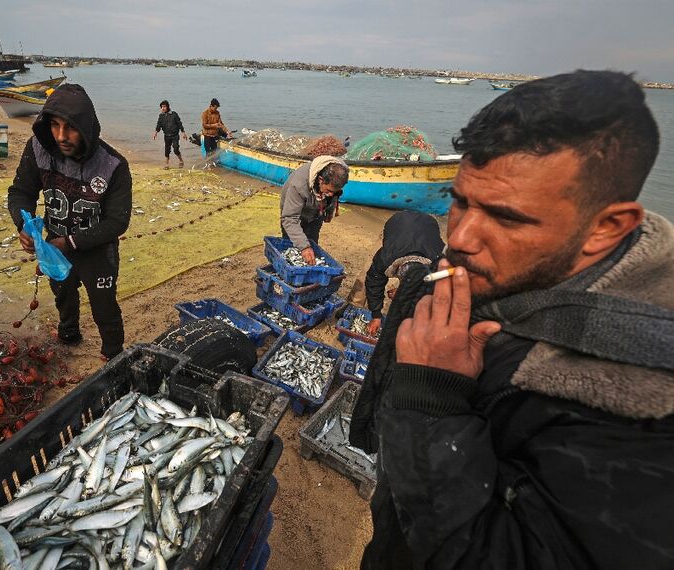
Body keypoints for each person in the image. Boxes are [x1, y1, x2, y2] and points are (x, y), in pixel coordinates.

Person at [350, 70, 674, 569]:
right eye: (459, 202)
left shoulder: (642, 407)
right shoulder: (469, 271)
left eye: (507, 218)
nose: (460, 238)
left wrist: (431, 399)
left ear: (606, 228)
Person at [7, 84, 131, 359]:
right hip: (55, 243)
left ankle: (113, 354)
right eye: (54, 125)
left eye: (71, 127)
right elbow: (21, 192)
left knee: (104, 307)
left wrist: (71, 242)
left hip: (96, 248)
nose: (61, 136)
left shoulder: (113, 165)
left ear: (86, 127)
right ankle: (69, 336)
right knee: (63, 293)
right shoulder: (38, 149)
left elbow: (117, 222)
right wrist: (24, 225)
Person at [364, 212, 444, 337]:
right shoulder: (385, 258)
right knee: (371, 271)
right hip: (397, 225)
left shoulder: (439, 263)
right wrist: (376, 315)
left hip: (428, 228)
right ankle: (354, 303)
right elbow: (373, 281)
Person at [279, 156, 349, 264]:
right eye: (329, 190)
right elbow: (289, 218)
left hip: (317, 209)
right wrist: (304, 247)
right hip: (293, 209)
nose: (330, 194)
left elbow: (334, 194)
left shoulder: (341, 170)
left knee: (312, 240)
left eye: (334, 192)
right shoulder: (299, 185)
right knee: (291, 245)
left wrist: (330, 209)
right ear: (321, 180)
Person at [152, 100, 187, 168]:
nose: (163, 108)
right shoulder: (161, 116)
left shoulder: (174, 114)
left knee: (176, 149)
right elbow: (159, 125)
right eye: (162, 107)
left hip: (175, 135)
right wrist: (155, 133)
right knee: (167, 150)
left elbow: (179, 123)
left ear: (167, 107)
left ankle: (181, 160)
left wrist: (183, 133)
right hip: (167, 135)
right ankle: (167, 164)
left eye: (164, 106)